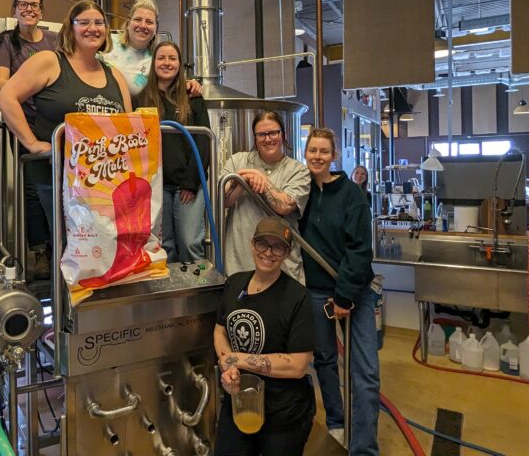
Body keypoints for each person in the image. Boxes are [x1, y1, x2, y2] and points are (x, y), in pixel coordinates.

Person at [0, 0, 133, 235]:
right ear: (71, 28)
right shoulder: (50, 61)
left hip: (105, 181)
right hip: (59, 176)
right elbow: (6, 98)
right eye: (84, 22)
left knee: (106, 247)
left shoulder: (115, 75)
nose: (93, 28)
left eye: (99, 22)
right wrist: (31, 143)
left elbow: (128, 126)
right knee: (70, 245)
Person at [301, 128, 379, 454]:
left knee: (365, 375)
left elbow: (360, 250)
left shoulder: (351, 195)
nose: (317, 156)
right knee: (325, 362)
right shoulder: (303, 192)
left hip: (355, 292)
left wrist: (345, 295)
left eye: (324, 151)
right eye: (312, 151)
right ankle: (336, 422)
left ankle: (363, 449)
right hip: (317, 291)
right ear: (305, 154)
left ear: (334, 155)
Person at [214, 216, 316, 455]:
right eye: (262, 244)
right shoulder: (235, 283)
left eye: (278, 246)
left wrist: (236, 359)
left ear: (287, 253)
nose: (268, 253)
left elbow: (298, 365)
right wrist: (226, 364)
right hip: (238, 404)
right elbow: (220, 330)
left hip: (282, 414)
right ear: (252, 245)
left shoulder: (297, 297)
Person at [0, 0, 59, 276]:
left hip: (54, 120)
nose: (29, 9)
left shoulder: (54, 41)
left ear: (42, 11)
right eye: (23, 4)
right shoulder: (7, 40)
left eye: (34, 5)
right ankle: (40, 251)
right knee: (34, 189)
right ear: (15, 10)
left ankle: (63, 246)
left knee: (64, 187)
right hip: (25, 122)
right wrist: (32, 86)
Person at [137, 41, 210, 262]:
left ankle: (197, 294)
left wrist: (190, 182)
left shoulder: (193, 98)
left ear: (180, 64)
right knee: (163, 246)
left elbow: (204, 141)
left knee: (189, 242)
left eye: (172, 58)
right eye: (161, 58)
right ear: (153, 63)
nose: (166, 63)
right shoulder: (141, 99)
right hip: (156, 185)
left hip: (187, 186)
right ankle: (170, 295)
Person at [220, 111, 311, 283]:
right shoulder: (237, 161)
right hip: (239, 266)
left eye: (273, 133)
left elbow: (284, 206)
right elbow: (222, 200)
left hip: (283, 270)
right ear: (255, 138)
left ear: (282, 135)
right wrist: (243, 181)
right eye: (261, 134)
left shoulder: (298, 170)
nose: (268, 139)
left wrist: (261, 179)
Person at [100, 0, 202, 98]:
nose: (143, 25)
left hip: (129, 113)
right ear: (128, 23)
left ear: (156, 28)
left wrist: (189, 84)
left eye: (149, 22)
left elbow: (172, 82)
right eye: (138, 19)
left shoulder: (156, 59)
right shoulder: (107, 41)